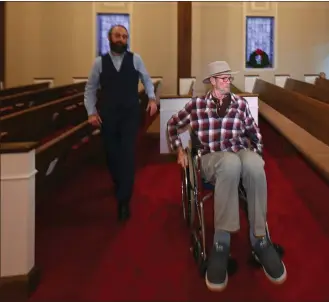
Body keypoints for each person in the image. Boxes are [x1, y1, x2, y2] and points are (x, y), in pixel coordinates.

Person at [167, 61, 287, 291]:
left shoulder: (240, 105)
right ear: (211, 81)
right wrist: (179, 150)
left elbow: (255, 133)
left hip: (238, 152)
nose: (227, 82)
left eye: (229, 78)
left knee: (254, 164)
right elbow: (172, 126)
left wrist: (257, 151)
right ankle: (221, 244)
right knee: (230, 163)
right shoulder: (197, 106)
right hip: (211, 158)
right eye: (222, 78)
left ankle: (260, 239)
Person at [84, 24, 158, 222]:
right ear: (110, 38)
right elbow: (90, 89)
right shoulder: (99, 63)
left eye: (125, 37)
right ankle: (119, 183)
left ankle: (124, 200)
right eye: (118, 36)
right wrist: (91, 112)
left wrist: (151, 98)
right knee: (112, 154)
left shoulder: (136, 59)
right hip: (108, 115)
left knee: (127, 153)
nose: (121, 40)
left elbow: (147, 80)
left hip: (130, 114)